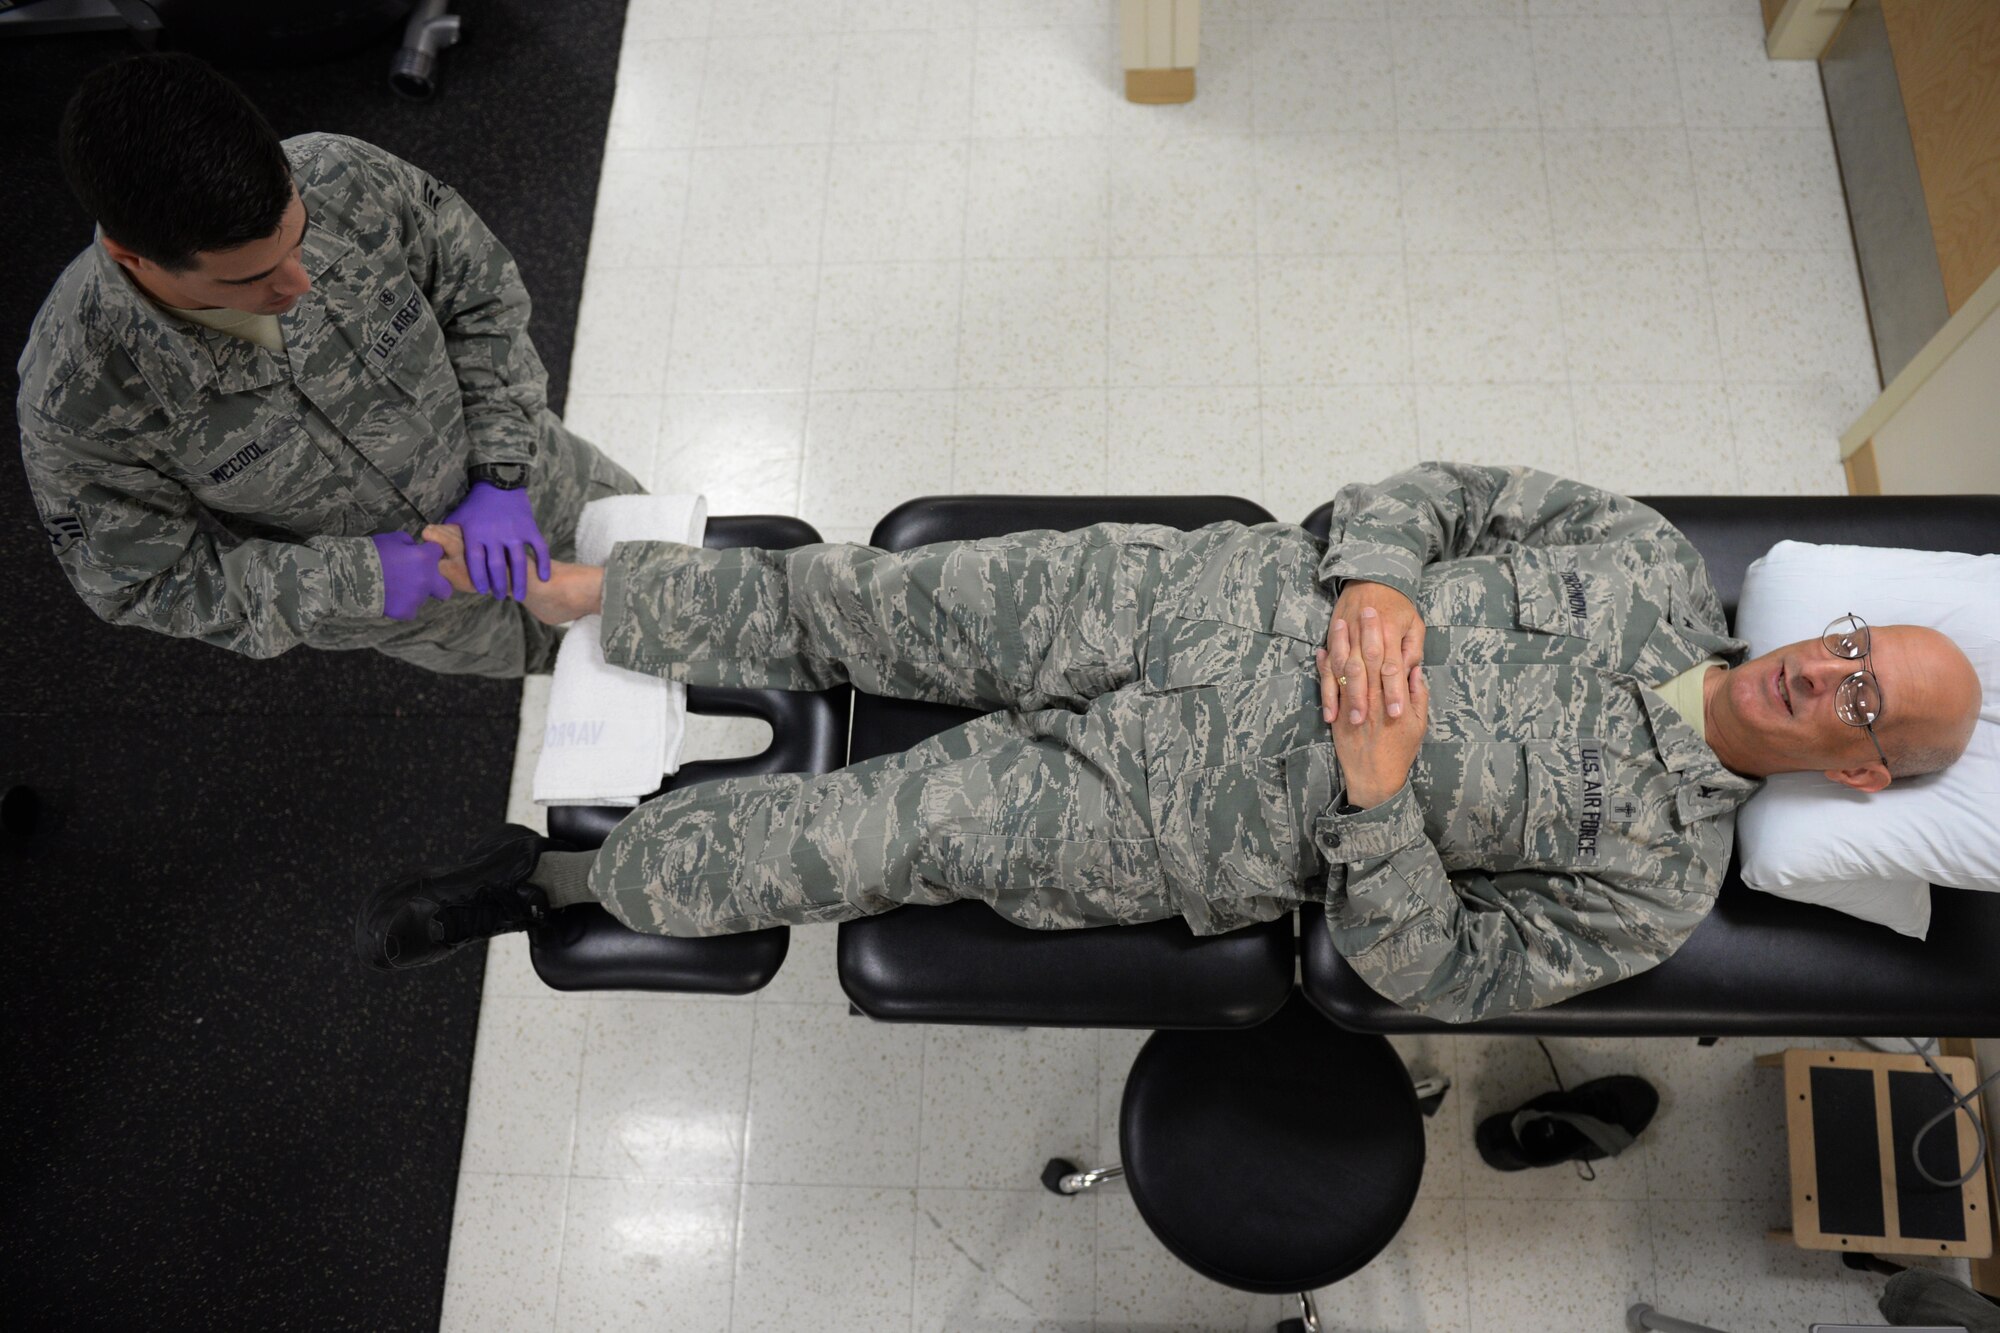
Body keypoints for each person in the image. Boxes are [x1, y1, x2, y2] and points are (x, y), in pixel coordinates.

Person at [356, 465, 1984, 1023]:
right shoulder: (1635, 555)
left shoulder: (1656, 882)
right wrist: (1380, 584)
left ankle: (554, 871)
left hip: (1154, 819)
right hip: (1166, 600)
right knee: (849, 600)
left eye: (1862, 701)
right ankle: (570, 585)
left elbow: (1432, 972)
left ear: (1855, 773)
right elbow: (1424, 492)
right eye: (1845, 642)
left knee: (850, 843)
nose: (1822, 672)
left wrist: (1378, 797)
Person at [17, 53, 643, 678]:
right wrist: (354, 579)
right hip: (414, 605)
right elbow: (143, 582)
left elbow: (481, 298)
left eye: (298, 235)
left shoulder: (344, 176)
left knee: (672, 572)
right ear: (134, 259)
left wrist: (502, 473)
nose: (300, 281)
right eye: (254, 276)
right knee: (579, 674)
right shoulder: (79, 395)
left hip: (537, 482)